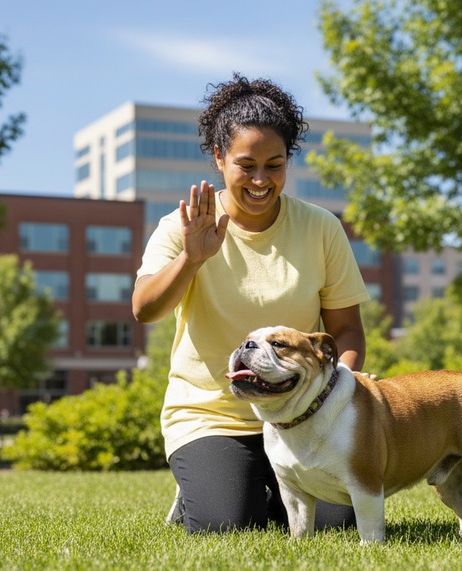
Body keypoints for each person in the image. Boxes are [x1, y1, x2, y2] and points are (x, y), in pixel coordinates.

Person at [131, 73, 370, 534]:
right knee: (228, 524)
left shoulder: (321, 228)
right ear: (219, 158)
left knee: (336, 525)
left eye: (275, 165)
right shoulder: (183, 227)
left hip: (304, 413)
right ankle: (209, 486)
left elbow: (347, 331)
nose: (262, 180)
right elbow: (144, 309)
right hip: (212, 414)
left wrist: (334, 394)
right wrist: (191, 259)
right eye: (247, 165)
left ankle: (278, 488)